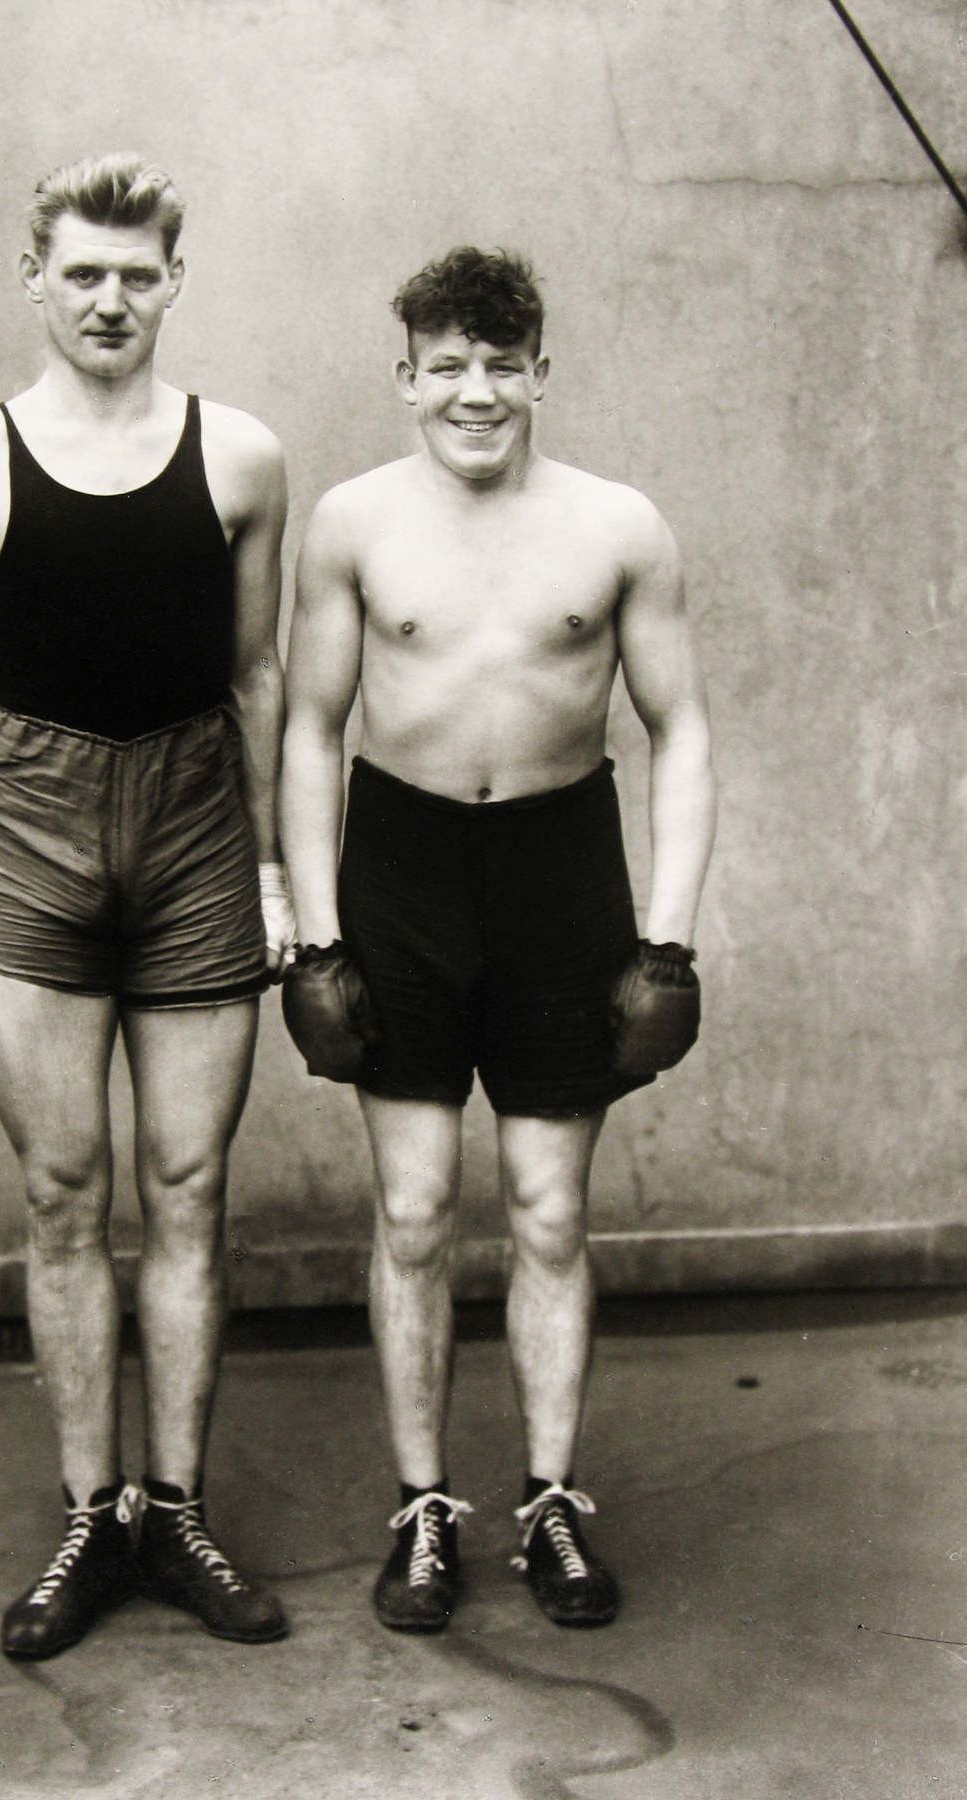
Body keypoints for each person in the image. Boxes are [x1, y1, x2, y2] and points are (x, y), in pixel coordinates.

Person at [0, 153, 295, 1659]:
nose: (109, 299)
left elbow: (257, 677)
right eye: (81, 274)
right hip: (33, 826)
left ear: (173, 283)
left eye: (135, 275)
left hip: (194, 828)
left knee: (188, 1186)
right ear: (34, 282)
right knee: (64, 1191)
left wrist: (277, 870)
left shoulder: (240, 457)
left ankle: (174, 1511)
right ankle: (87, 1514)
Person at [280, 247, 716, 1635]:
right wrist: (313, 938)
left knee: (549, 1210)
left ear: (540, 374)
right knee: (413, 1213)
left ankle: (549, 1503)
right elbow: (309, 730)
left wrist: (668, 944)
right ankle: (422, 1508)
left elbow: (681, 731)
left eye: (502, 365)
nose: (475, 392)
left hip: (559, 875)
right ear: (405, 377)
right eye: (448, 366)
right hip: (401, 873)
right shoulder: (352, 523)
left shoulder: (617, 526)